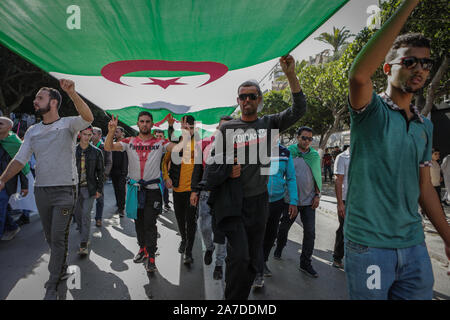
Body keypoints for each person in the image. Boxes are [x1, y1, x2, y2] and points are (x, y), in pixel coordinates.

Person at [346, 0, 450, 299]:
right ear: (387, 68)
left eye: (426, 64)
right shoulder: (370, 110)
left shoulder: (424, 126)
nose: (420, 69)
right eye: (410, 62)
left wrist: (447, 236)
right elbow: (357, 76)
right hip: (369, 247)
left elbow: (424, 187)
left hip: (414, 247)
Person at [207, 54, 306, 300]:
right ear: (238, 101)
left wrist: (291, 75)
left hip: (259, 203)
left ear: (259, 100)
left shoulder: (268, 124)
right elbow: (211, 167)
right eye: (243, 96)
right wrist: (228, 171)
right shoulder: (227, 128)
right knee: (238, 257)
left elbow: (299, 109)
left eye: (252, 96)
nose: (248, 100)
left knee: (252, 259)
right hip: (234, 204)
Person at [0, 79, 94, 300]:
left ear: (53, 102)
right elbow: (20, 159)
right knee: (51, 237)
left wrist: (72, 93)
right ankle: (60, 267)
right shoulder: (32, 130)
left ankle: (53, 283)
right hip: (42, 191)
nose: (34, 101)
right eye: (35, 98)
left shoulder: (69, 124)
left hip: (65, 191)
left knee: (59, 237)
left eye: (39, 98)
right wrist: (2, 179)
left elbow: (88, 118)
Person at [105, 112, 174, 273]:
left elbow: (178, 148)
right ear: (137, 123)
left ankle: (151, 257)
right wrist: (111, 131)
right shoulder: (129, 142)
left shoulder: (160, 141)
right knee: (139, 222)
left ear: (152, 124)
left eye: (147, 122)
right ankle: (142, 248)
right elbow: (108, 147)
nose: (144, 124)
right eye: (142, 121)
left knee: (150, 223)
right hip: (135, 190)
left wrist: (176, 130)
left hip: (153, 191)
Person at [190, 115, 233, 280]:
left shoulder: (237, 146)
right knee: (205, 226)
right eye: (224, 127)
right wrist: (194, 191)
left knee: (222, 231)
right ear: (218, 128)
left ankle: (219, 264)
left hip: (226, 194)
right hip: (206, 192)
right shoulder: (204, 144)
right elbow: (197, 170)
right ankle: (209, 247)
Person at [275, 126, 322, 278]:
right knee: (283, 229)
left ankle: (305, 263)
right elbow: (281, 174)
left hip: (309, 201)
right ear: (297, 137)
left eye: (310, 139)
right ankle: (279, 247)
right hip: (290, 201)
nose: (307, 141)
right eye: (304, 138)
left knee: (310, 232)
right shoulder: (288, 152)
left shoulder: (314, 156)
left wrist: (317, 195)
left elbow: (317, 176)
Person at [253, 142, 298, 288]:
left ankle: (263, 261)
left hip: (277, 201)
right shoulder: (256, 149)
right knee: (258, 235)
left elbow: (291, 178)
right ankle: (258, 271)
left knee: (271, 235)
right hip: (259, 200)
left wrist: (293, 201)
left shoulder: (285, 153)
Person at [162, 115, 198, 265]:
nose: (186, 130)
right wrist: (166, 177)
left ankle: (188, 251)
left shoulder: (199, 144)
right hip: (177, 190)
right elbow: (165, 162)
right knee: (180, 219)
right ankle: (183, 239)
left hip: (192, 191)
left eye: (189, 128)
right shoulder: (175, 143)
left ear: (194, 128)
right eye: (183, 127)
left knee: (191, 221)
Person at [73, 126, 104, 255]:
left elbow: (100, 173)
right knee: (78, 215)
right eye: (84, 134)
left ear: (92, 135)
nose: (86, 137)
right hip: (74, 188)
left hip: (89, 188)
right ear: (80, 134)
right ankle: (83, 233)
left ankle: (83, 243)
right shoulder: (72, 150)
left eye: (89, 134)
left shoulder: (96, 152)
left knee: (86, 214)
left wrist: (99, 189)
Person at [0, 117, 29, 241]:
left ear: (9, 127)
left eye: (0, 123)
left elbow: (22, 166)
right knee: (3, 209)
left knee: (0, 209)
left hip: (6, 183)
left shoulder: (16, 143)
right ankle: (12, 226)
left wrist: (24, 185)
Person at [332, 144, 350, 269]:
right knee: (343, 229)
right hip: (345, 199)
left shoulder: (364, 155)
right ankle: (337, 257)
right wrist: (340, 204)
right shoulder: (342, 157)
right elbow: (338, 180)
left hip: (360, 200)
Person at [91, 127, 112, 227]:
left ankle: (98, 218)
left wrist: (104, 175)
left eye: (93, 133)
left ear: (99, 135)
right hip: (89, 176)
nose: (91, 135)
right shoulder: (88, 146)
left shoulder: (104, 147)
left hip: (100, 177)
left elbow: (109, 162)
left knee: (99, 198)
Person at [110, 126, 128, 217]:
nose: (115, 133)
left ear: (122, 133)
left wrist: (125, 172)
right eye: (114, 131)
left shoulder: (125, 143)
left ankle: (121, 209)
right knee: (116, 189)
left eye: (117, 131)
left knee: (121, 190)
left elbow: (127, 159)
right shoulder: (112, 143)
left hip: (122, 172)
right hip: (113, 171)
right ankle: (118, 204)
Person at [153, 129, 171, 212]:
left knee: (163, 190)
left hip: (163, 173)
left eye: (160, 136)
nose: (158, 138)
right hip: (154, 173)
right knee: (155, 191)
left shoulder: (167, 147)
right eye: (157, 136)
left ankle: (165, 204)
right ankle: (158, 207)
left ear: (164, 137)